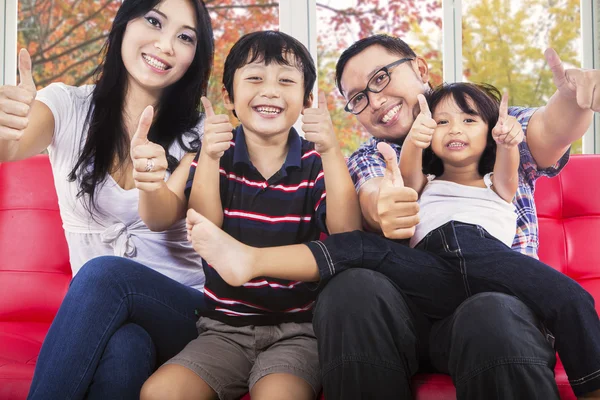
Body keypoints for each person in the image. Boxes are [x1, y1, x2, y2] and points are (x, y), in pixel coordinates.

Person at [179, 35, 600, 400]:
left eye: (381, 78)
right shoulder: (371, 155)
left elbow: (548, 131)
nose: (376, 101)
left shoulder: (488, 125)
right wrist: (385, 206)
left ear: (419, 68)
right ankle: (249, 261)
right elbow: (374, 193)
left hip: (498, 305)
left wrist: (573, 97)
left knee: (488, 312)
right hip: (410, 309)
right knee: (351, 286)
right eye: (359, 98)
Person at [0, 0, 214, 398]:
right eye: (153, 21)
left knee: (102, 274)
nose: (166, 44)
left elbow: (163, 216)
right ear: (123, 24)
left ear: (194, 57)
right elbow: (11, 147)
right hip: (110, 318)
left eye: (185, 37)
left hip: (186, 313)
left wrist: (153, 184)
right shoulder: (67, 105)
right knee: (125, 349)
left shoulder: (198, 134)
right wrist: (6, 124)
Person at [139, 30, 361, 400]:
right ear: (229, 97)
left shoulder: (314, 162)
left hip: (298, 331)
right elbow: (205, 229)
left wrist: (332, 149)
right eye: (255, 78)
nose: (271, 90)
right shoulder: (214, 156)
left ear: (306, 100)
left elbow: (347, 234)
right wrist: (209, 158)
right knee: (160, 393)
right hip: (222, 329)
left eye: (286, 81)